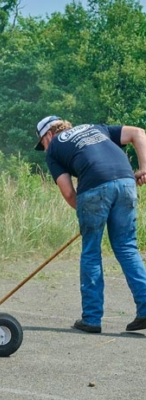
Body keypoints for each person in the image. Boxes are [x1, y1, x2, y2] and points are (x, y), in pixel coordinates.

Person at [34, 116, 146, 333]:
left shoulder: (54, 148)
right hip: (126, 182)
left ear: (48, 135)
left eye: (42, 143)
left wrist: (89, 215)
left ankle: (92, 319)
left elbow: (68, 192)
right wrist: (143, 169)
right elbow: (138, 133)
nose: (44, 148)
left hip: (94, 187)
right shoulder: (96, 128)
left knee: (91, 252)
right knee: (126, 247)